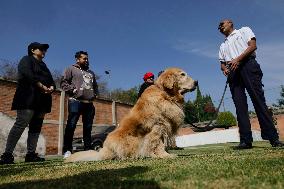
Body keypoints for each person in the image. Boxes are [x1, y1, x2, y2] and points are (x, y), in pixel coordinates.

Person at [218, 19, 283, 149]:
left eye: (222, 23)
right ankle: (245, 141)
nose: (220, 26)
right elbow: (222, 63)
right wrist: (225, 69)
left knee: (258, 101)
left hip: (248, 65)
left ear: (231, 23)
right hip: (233, 72)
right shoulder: (222, 45)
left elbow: (252, 46)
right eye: (219, 26)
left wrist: (238, 59)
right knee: (239, 106)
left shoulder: (244, 30)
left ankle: (273, 138)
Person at [0, 42, 55, 164]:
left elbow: (51, 80)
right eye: (41, 49)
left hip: (42, 101)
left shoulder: (44, 66)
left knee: (36, 128)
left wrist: (51, 87)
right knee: (21, 124)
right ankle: (7, 154)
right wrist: (40, 85)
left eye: (44, 50)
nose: (44, 51)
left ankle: (31, 154)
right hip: (28, 99)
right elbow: (27, 74)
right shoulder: (26, 60)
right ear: (32, 50)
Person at [61, 51, 98, 159]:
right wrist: (73, 90)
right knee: (71, 125)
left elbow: (95, 85)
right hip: (75, 101)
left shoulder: (91, 73)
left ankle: (87, 149)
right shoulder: (71, 69)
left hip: (89, 104)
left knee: (88, 127)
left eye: (87, 59)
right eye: (84, 58)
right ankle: (67, 150)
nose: (86, 60)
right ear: (78, 59)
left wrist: (95, 94)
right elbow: (63, 82)